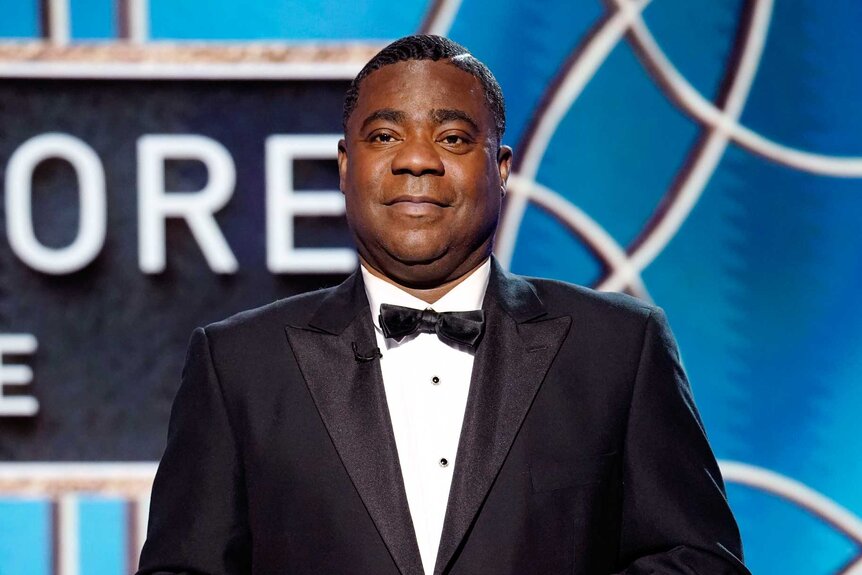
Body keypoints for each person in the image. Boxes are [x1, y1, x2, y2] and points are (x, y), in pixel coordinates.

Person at [138, 35, 749, 575]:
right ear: (346, 166)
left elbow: (696, 562)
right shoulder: (239, 363)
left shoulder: (618, 347)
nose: (417, 160)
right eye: (384, 136)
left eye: (453, 137)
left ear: (500, 167)